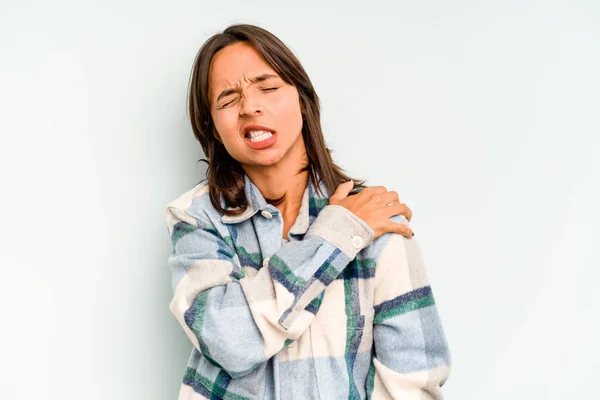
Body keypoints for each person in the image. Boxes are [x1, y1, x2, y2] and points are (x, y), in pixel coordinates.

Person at [165, 23, 451, 400]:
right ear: (213, 128)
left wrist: (353, 228)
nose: (250, 105)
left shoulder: (378, 221)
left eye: (267, 87)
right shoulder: (196, 218)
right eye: (228, 99)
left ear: (301, 99)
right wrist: (336, 234)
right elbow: (227, 339)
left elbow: (414, 381)